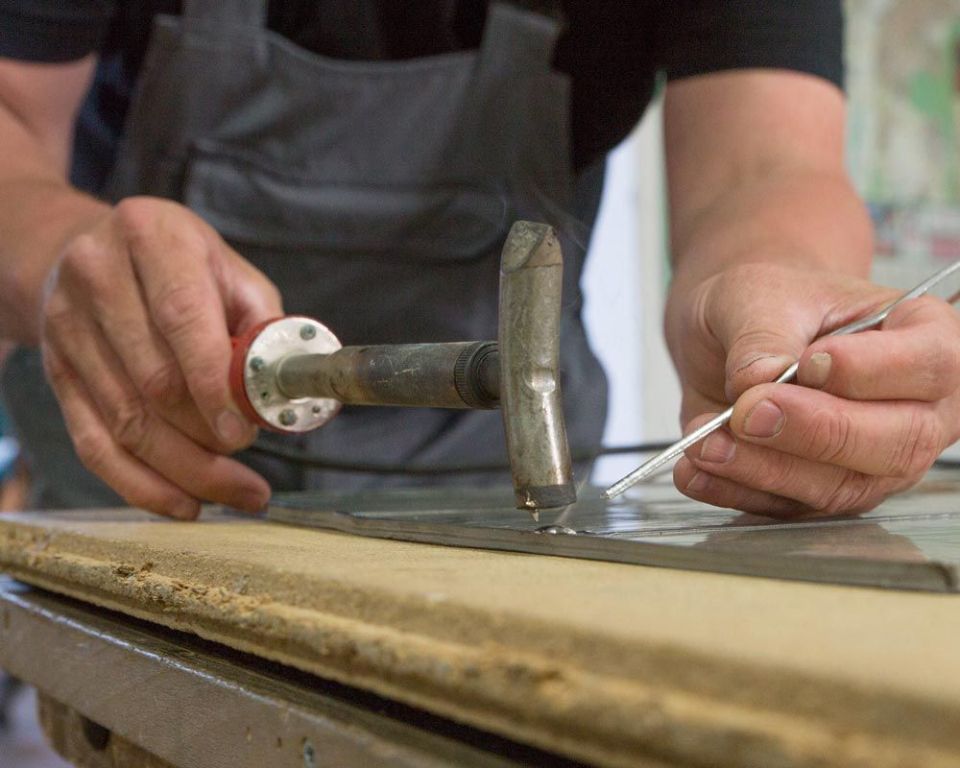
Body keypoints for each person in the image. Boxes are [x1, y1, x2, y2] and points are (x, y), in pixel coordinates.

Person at [0, 0, 957, 521]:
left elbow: (768, 163)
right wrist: (53, 248)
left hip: (486, 501)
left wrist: (781, 293)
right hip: (138, 468)